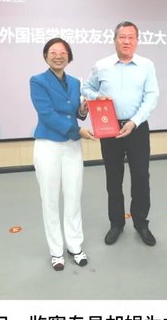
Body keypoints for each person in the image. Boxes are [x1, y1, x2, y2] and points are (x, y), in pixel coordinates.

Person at [82, 21, 159, 246]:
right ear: (114, 40)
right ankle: (116, 223)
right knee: (113, 178)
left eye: (131, 37)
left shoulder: (147, 65)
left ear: (137, 40)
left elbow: (152, 96)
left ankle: (141, 223)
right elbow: (86, 88)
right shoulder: (101, 65)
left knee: (141, 177)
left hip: (137, 128)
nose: (126, 41)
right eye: (122, 37)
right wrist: (97, 98)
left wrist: (134, 121)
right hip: (109, 128)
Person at [30, 37, 96, 271]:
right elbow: (46, 114)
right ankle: (56, 251)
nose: (58, 56)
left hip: (72, 146)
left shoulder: (76, 82)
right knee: (49, 200)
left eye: (63, 52)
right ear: (45, 56)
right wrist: (78, 130)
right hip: (48, 145)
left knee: (73, 197)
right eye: (53, 52)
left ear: (69, 56)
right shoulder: (37, 81)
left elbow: (75, 113)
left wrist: (83, 110)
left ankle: (75, 246)